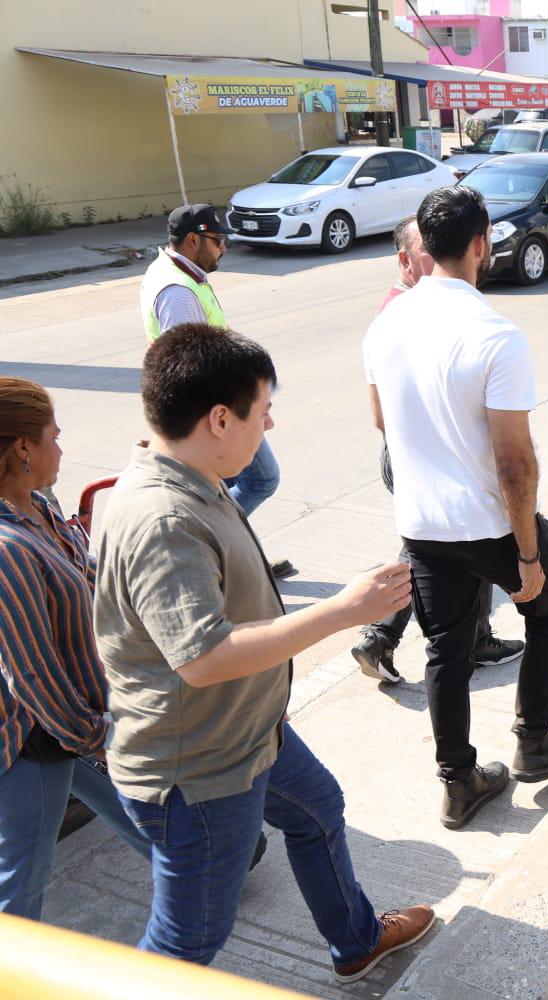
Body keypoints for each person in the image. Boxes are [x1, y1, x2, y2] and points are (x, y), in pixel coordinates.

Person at [92, 324, 434, 980]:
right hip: (199, 773)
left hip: (249, 730)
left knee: (318, 809)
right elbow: (205, 659)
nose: (270, 422)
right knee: (184, 946)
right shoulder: (164, 519)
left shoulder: (194, 471)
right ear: (219, 419)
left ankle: (357, 940)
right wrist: (344, 611)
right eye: (262, 409)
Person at [363, 186, 548, 832]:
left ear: (423, 248)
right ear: (481, 244)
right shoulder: (496, 334)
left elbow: (382, 421)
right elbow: (515, 465)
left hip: (422, 526)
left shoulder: (385, 327)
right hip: (490, 524)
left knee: (446, 653)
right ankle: (535, 743)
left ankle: (458, 783)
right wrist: (526, 556)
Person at [0, 378, 155, 920]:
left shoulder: (37, 506)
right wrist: (99, 739)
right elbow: (33, 677)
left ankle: (196, 883)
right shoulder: (7, 548)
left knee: (147, 818)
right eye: (54, 437)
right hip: (35, 738)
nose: (61, 448)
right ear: (23, 448)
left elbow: (86, 578)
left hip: (75, 720)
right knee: (20, 889)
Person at [352, 217, 524, 684]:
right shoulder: (402, 311)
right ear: (406, 261)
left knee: (427, 546)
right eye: (427, 251)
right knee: (464, 538)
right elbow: (383, 414)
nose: (439, 258)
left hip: (415, 452)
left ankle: (385, 637)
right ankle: (461, 639)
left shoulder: (415, 306)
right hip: (416, 453)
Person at [138, 203, 293, 578]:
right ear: (193, 240)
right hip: (214, 416)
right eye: (217, 240)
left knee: (219, 488)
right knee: (261, 479)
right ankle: (222, 553)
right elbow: (193, 368)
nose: (224, 247)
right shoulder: (177, 290)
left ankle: (235, 557)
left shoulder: (177, 272)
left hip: (216, 413)